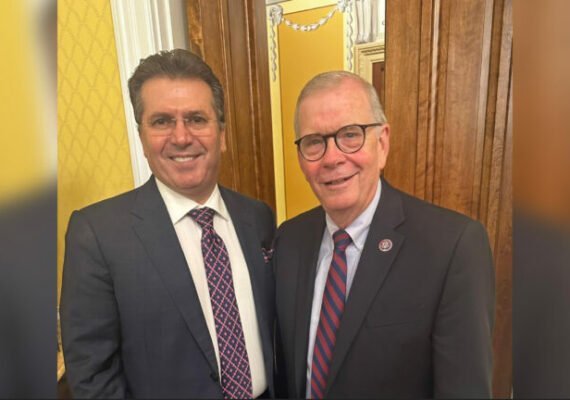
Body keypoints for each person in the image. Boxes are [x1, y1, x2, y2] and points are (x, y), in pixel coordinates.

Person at [60, 49, 276, 399]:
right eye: (162, 122)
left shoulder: (257, 217)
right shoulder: (97, 235)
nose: (181, 137)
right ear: (142, 138)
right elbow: (92, 375)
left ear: (221, 134)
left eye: (196, 119)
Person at [273, 71, 495, 398]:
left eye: (350, 134)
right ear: (300, 157)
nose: (332, 158)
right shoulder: (288, 240)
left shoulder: (452, 247)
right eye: (314, 142)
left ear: (382, 142)